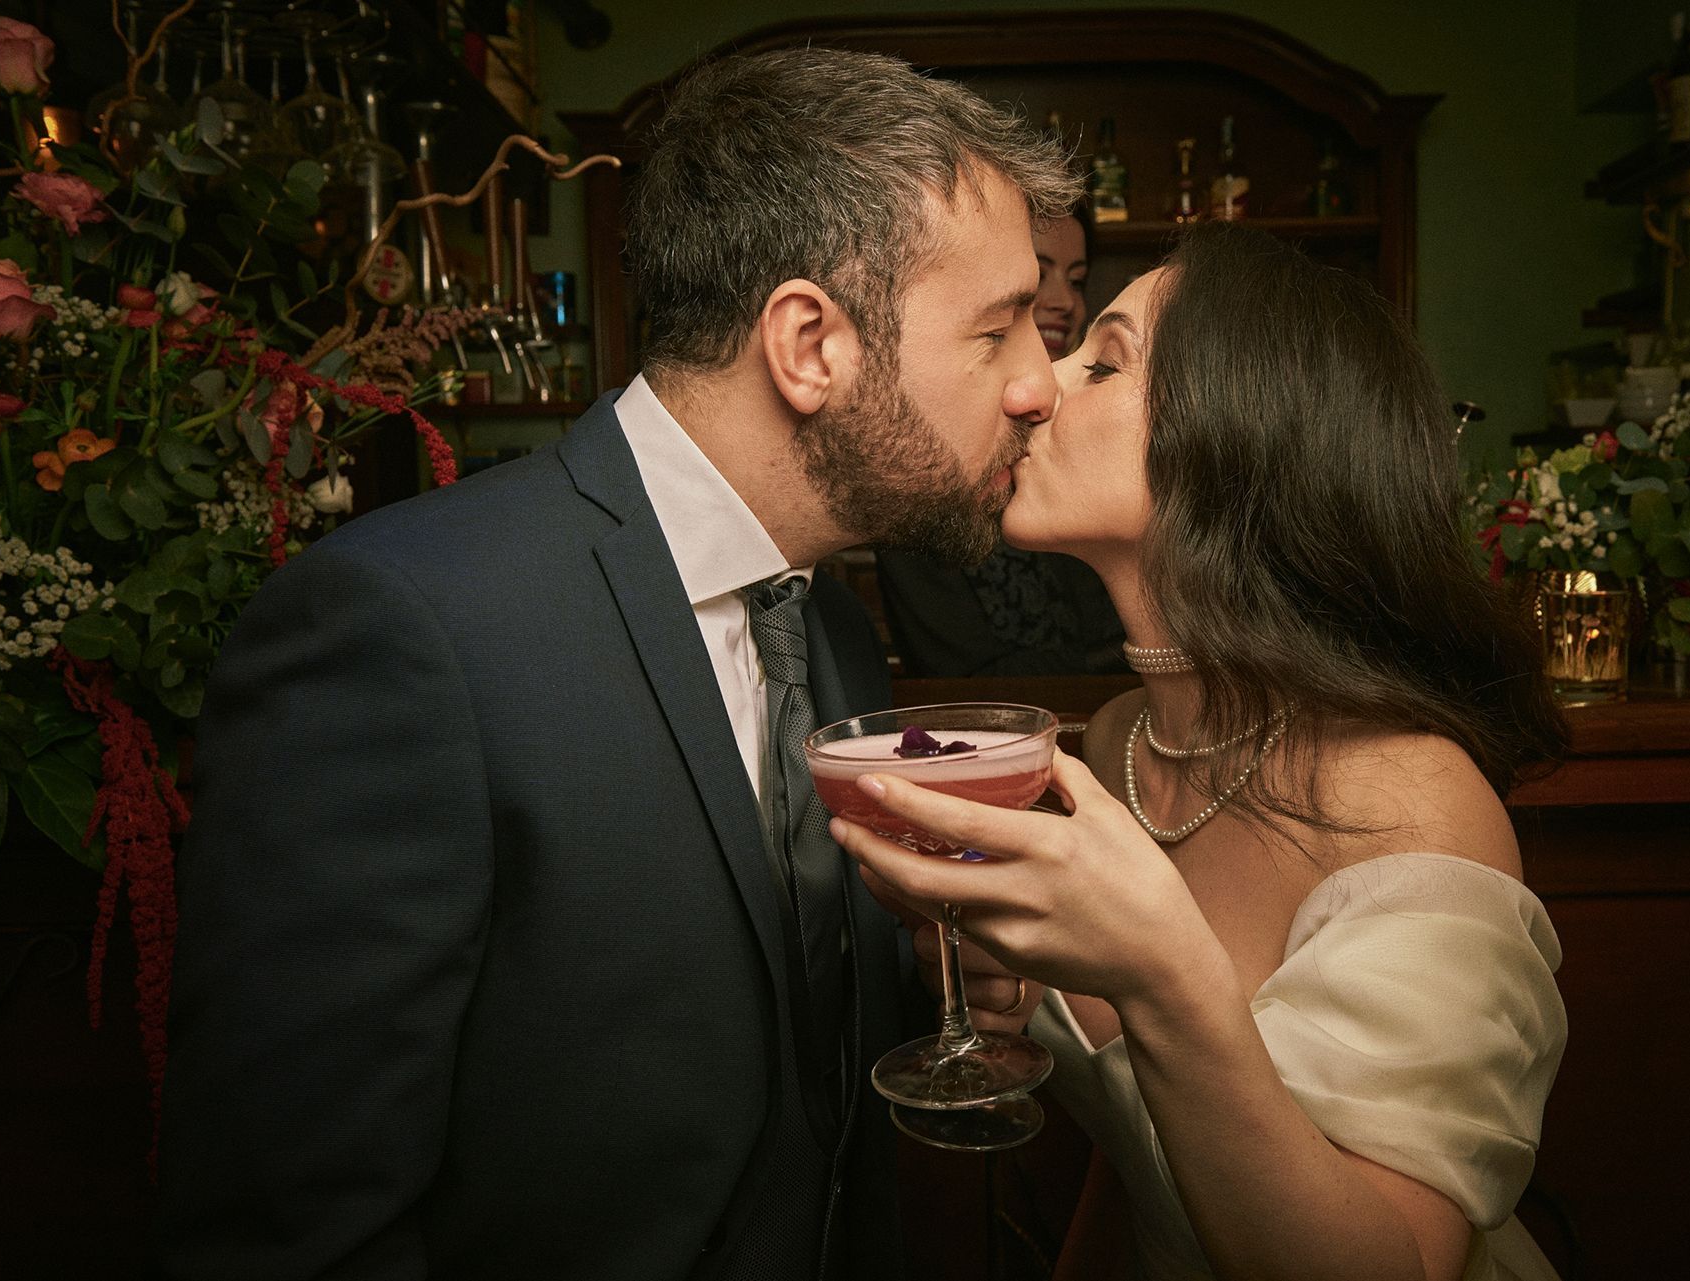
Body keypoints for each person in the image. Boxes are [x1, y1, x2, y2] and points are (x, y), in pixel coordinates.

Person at [154, 47, 1078, 1279]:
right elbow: (286, 1223)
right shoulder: (405, 629)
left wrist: (927, 981)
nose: (1039, 383)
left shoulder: (832, 628)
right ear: (810, 344)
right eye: (998, 327)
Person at [832, 224, 1573, 1281]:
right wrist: (1002, 974)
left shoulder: (1411, 806)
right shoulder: (1130, 737)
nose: (1038, 385)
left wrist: (1159, 976)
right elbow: (1146, 1164)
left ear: (1242, 431)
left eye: (1107, 358)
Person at [876, 203, 1128, 676]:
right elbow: (949, 665)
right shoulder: (930, 454)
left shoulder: (1099, 445)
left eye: (1076, 280)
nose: (1063, 301)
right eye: (1036, 278)